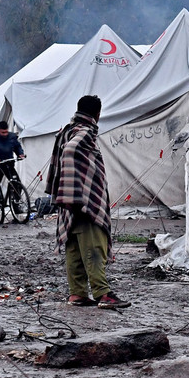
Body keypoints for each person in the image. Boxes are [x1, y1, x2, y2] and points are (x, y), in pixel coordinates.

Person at [45, 95, 130, 309]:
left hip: (69, 204)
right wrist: (75, 191)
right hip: (85, 203)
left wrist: (65, 192)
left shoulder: (66, 131)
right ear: (98, 114)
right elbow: (71, 151)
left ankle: (78, 294)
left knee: (74, 249)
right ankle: (103, 294)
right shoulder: (85, 132)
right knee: (94, 247)